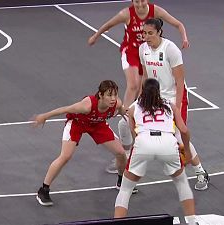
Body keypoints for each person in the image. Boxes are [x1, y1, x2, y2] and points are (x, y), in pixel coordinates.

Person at [88, 0, 190, 174]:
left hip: (150, 55)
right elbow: (109, 24)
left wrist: (184, 37)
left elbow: (177, 23)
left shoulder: (156, 15)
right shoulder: (126, 14)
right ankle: (124, 113)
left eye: (142, 1)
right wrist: (95, 36)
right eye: (136, 1)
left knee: (177, 133)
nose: (140, 4)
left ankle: (195, 166)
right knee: (134, 85)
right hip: (132, 50)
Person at [33, 80, 135, 206]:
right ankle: (43, 190)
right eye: (109, 95)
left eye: (115, 94)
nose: (113, 98)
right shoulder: (86, 105)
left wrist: (131, 120)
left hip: (97, 124)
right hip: (77, 124)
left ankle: (121, 182)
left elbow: (123, 111)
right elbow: (64, 109)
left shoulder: (117, 103)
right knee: (65, 156)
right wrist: (44, 116)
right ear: (101, 95)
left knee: (120, 153)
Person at [136, 18, 209, 190]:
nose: (146, 37)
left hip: (174, 97)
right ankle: (128, 179)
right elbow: (146, 76)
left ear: (159, 32)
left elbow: (179, 80)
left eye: (150, 33)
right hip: (154, 97)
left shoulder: (171, 49)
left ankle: (200, 172)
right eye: (144, 33)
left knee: (178, 137)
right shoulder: (143, 49)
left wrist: (177, 107)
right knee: (129, 125)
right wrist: (142, 97)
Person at [114, 78, 197, 225]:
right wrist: (188, 152)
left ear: (143, 90)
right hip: (167, 143)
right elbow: (184, 130)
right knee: (182, 182)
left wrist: (138, 146)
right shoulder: (170, 105)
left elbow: (132, 130)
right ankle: (192, 221)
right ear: (159, 91)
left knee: (126, 189)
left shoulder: (135, 107)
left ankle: (116, 223)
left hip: (143, 142)